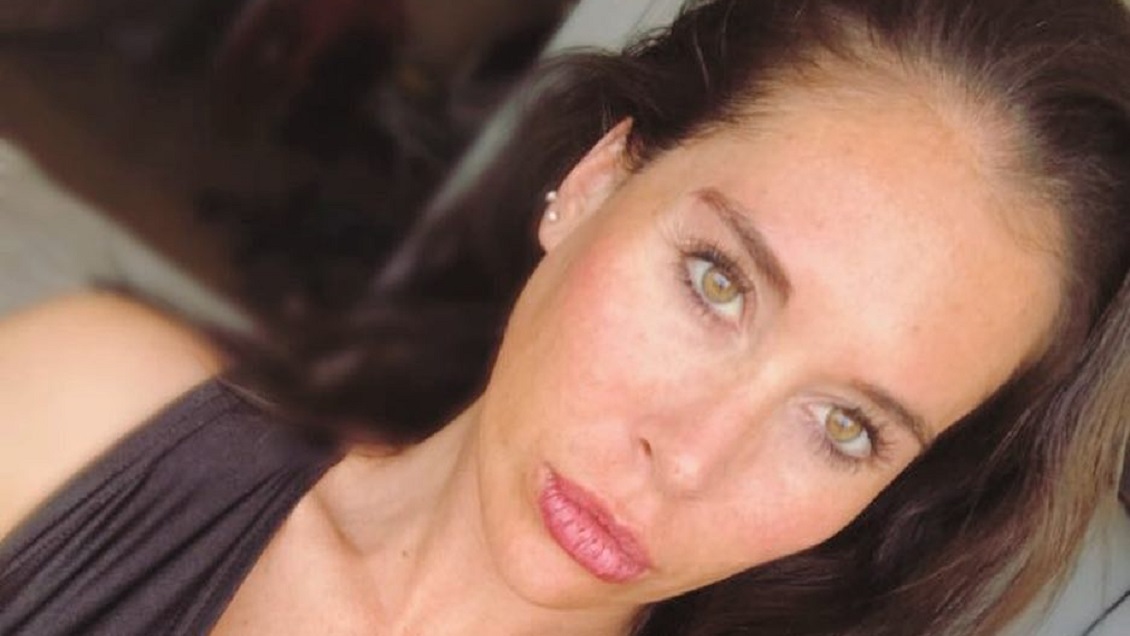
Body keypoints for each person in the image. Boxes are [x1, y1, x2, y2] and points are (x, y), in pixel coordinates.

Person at [2, 0, 1128, 634]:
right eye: (717, 281)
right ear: (594, 181)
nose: (688, 458)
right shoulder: (83, 419)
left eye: (846, 426)